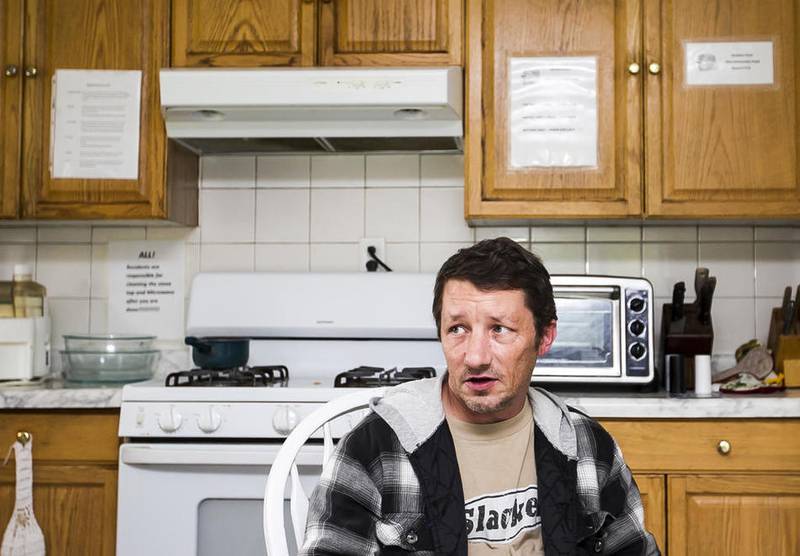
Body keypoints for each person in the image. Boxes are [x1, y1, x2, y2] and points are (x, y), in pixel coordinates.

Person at [301, 237, 660, 555]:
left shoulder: (587, 448)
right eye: (457, 329)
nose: (475, 357)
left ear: (545, 336)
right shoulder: (374, 448)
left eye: (499, 329)